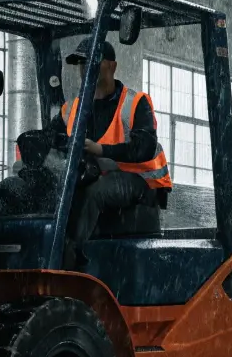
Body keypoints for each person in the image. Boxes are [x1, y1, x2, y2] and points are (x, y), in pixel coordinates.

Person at [52, 37, 172, 267]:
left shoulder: (136, 102)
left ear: (112, 66)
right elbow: (52, 135)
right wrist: (37, 140)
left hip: (140, 183)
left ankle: (68, 259)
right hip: (100, 174)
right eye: (82, 63)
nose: (86, 68)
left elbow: (144, 148)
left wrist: (100, 149)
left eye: (94, 61)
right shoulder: (73, 108)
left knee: (94, 193)